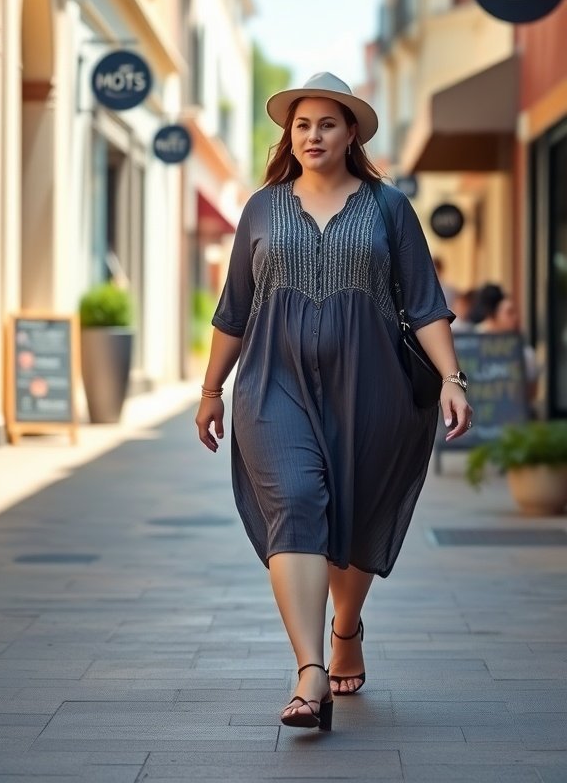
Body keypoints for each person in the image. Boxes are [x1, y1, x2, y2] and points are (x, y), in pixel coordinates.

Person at [195, 72, 473, 733]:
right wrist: (211, 390)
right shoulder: (261, 209)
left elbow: (426, 305)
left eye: (326, 123)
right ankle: (309, 670)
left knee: (351, 516)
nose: (312, 135)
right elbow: (233, 310)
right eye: (301, 125)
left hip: (370, 385)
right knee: (294, 502)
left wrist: (453, 380)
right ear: (288, 135)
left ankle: (346, 627)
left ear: (352, 133)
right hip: (272, 383)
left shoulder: (388, 208)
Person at [471, 282, 539, 403]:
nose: (516, 318)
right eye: (510, 312)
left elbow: (531, 393)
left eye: (516, 312)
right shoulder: (468, 344)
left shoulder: (525, 353)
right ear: (492, 314)